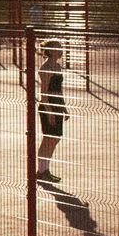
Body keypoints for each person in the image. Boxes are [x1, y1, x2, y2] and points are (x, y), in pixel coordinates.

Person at [36, 38, 66, 182]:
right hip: (48, 105)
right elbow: (44, 93)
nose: (60, 50)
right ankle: (42, 171)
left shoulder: (58, 67)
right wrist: (49, 112)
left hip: (57, 105)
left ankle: (45, 169)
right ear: (50, 51)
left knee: (54, 139)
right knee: (48, 139)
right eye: (57, 47)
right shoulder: (45, 68)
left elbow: (59, 90)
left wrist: (64, 107)